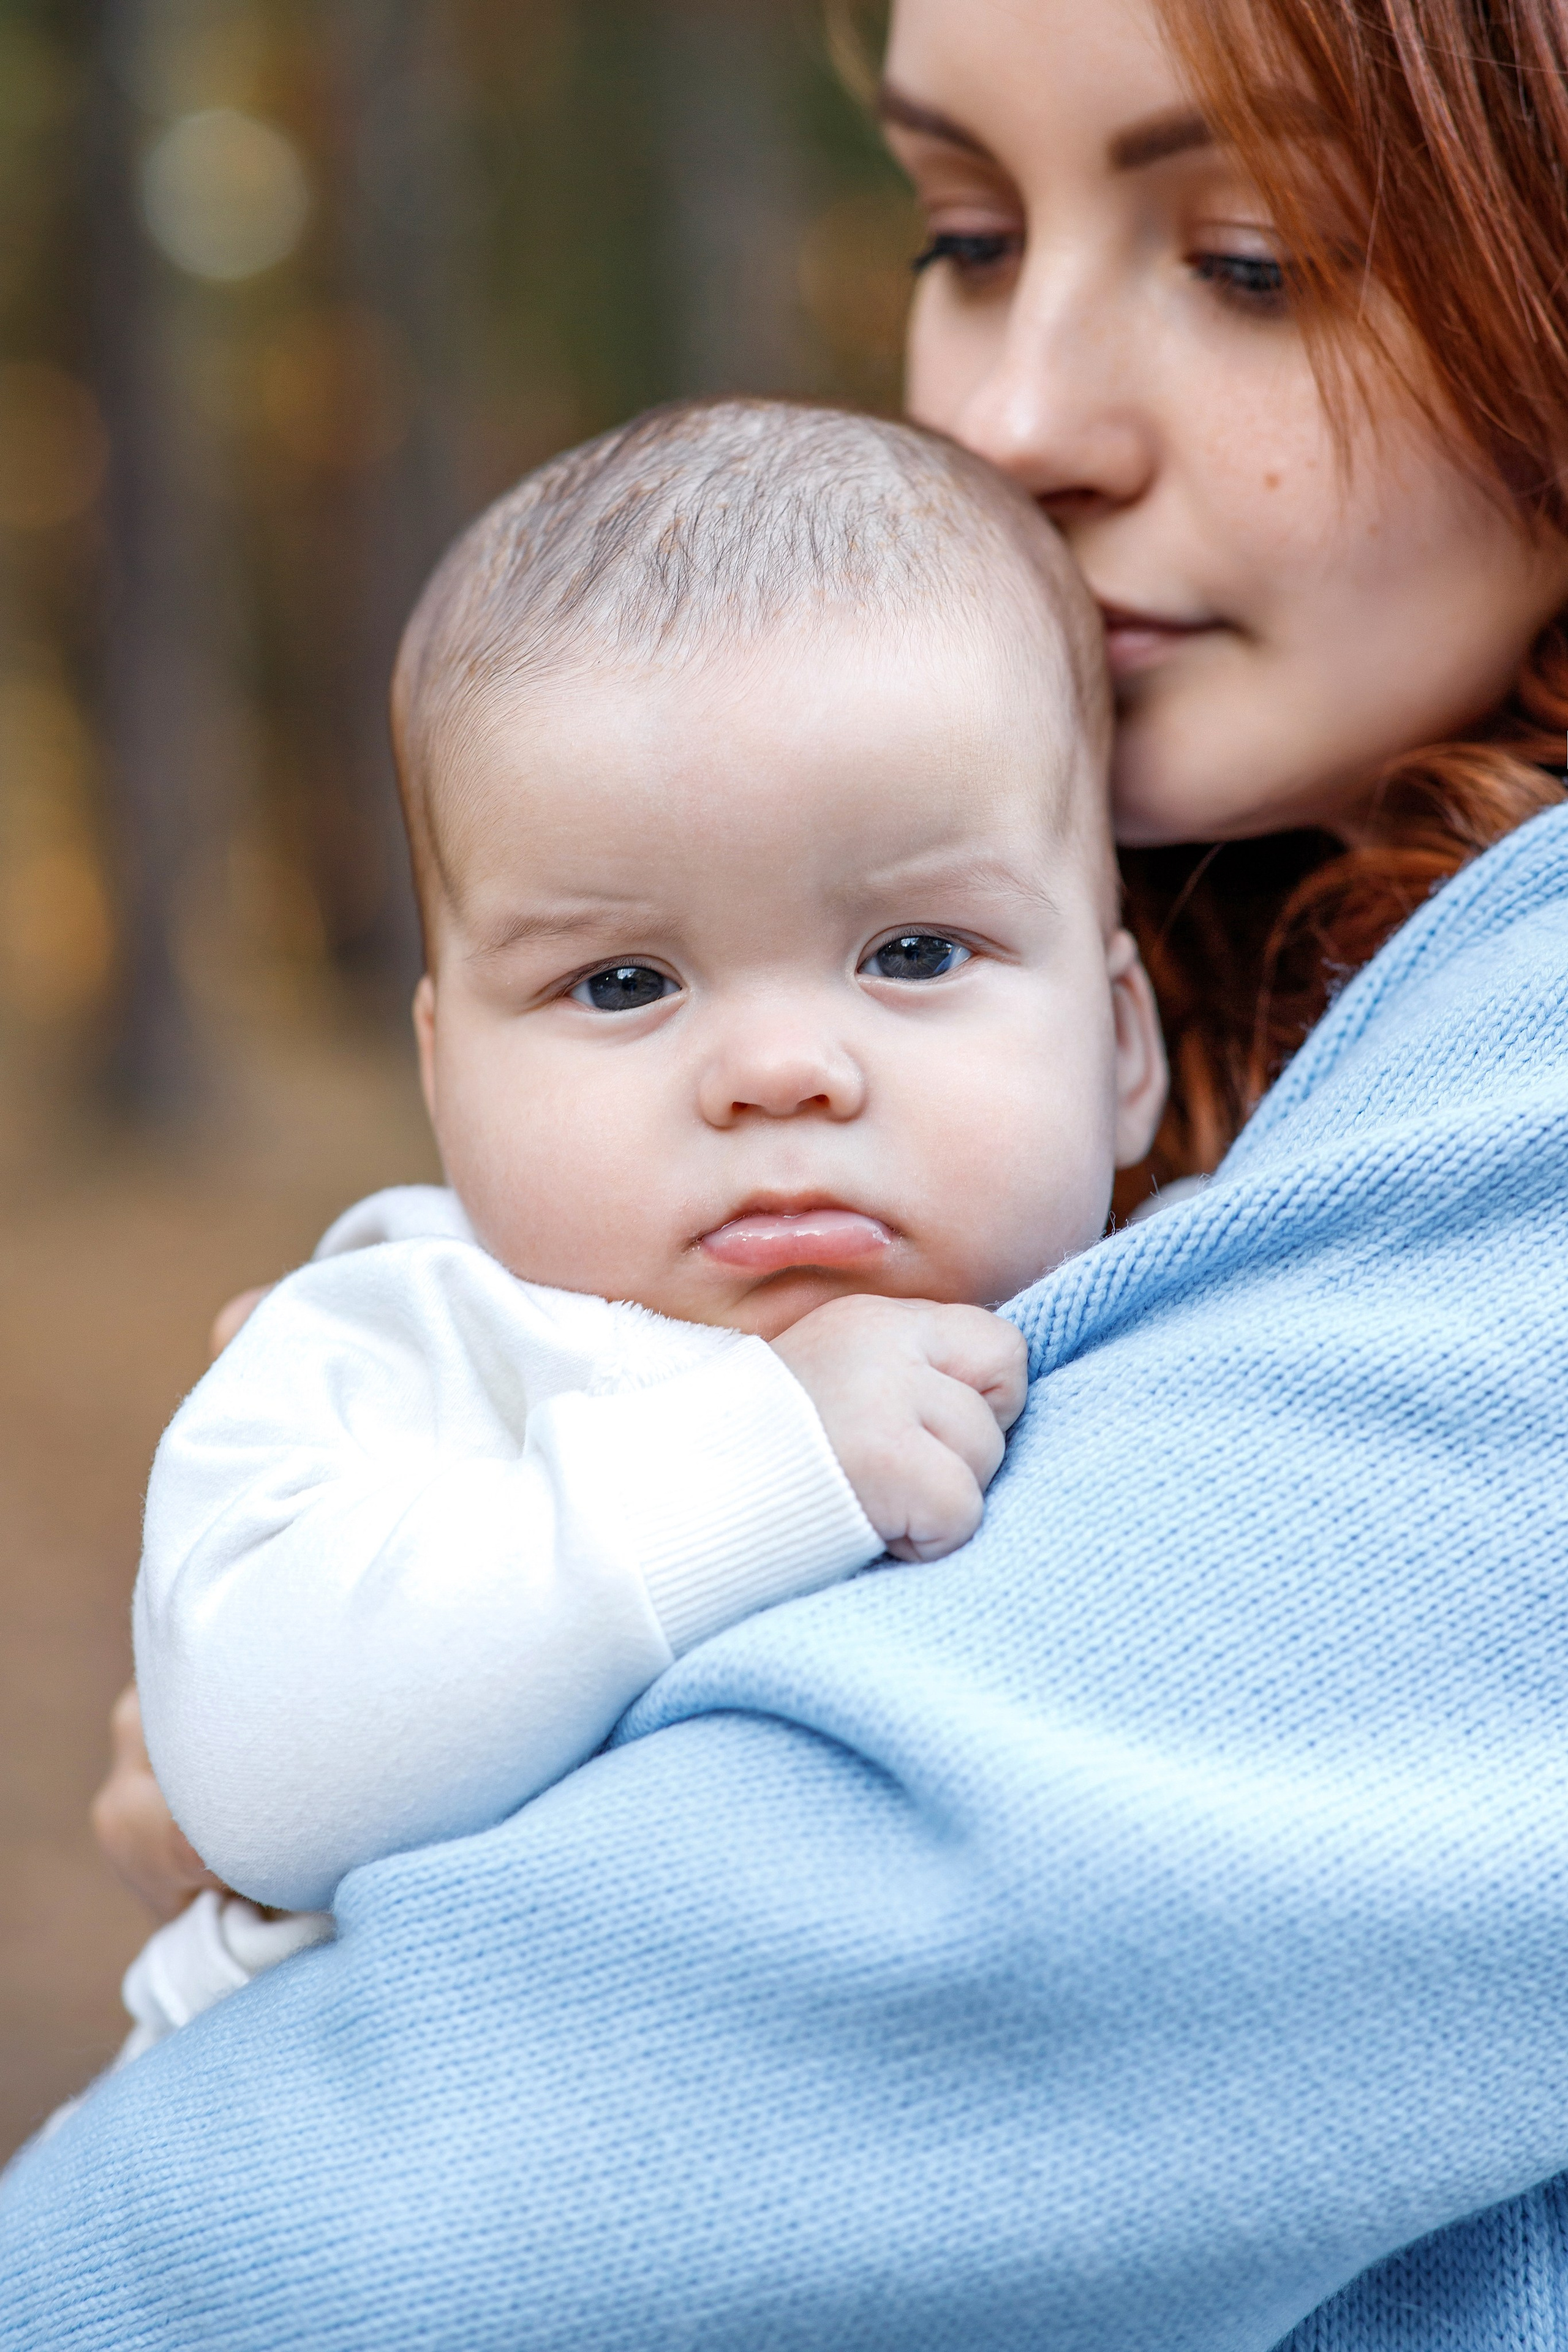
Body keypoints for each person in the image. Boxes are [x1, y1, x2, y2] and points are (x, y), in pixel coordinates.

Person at [9, 1, 1568, 2345]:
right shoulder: (1247, 1059)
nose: (1015, 418)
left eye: (1251, 257)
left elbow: (346, 2239)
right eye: (959, 227)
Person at [116, 398, 1158, 2035]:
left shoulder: (1183, 1346)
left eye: (913, 952)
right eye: (622, 981)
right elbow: (245, 1773)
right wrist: (761, 1469)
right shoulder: (401, 1343)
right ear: (445, 1077)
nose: (778, 1070)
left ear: (1123, 1046)